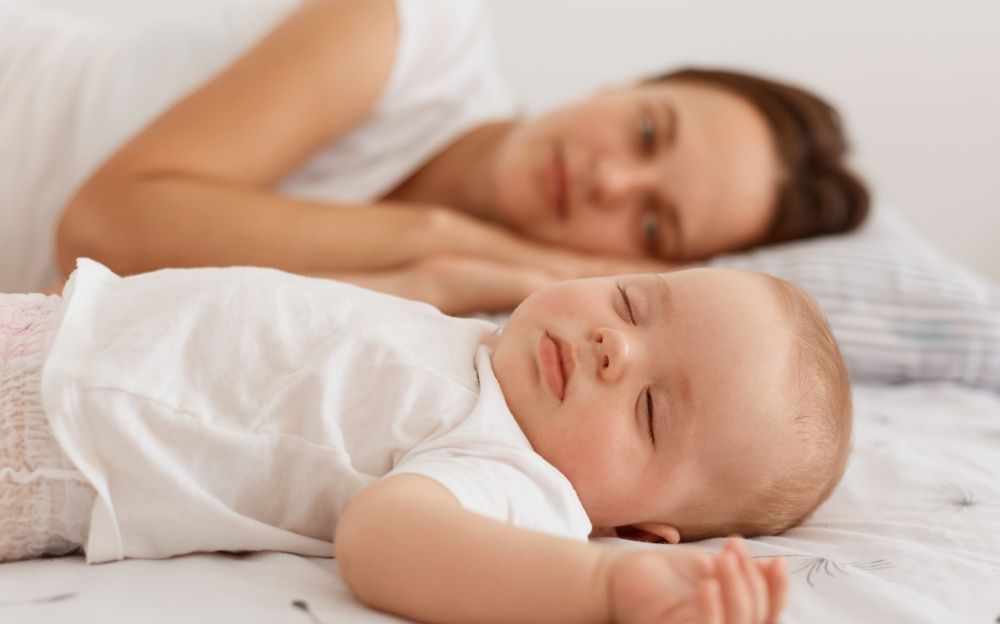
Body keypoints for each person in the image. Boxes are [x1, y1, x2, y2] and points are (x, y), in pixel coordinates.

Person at [0, 258, 852, 624]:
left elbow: (386, 538)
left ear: (636, 528)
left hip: (44, 434)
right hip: (50, 331)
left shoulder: (518, 477)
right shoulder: (485, 348)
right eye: (632, 303)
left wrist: (606, 588)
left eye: (651, 410)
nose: (613, 347)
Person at [2, 0, 868, 311]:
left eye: (652, 223)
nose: (610, 180)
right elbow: (102, 228)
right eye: (647, 131)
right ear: (624, 84)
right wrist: (443, 238)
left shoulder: (489, 316)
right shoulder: (418, 32)